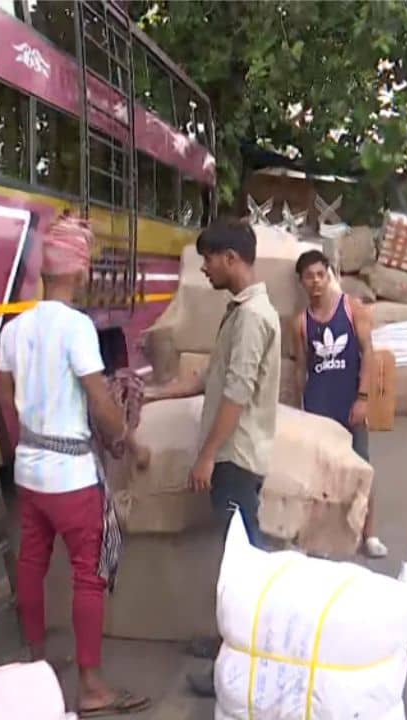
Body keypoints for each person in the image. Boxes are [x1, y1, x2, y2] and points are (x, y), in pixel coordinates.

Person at [0, 214, 152, 716]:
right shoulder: (77, 328)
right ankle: (90, 685)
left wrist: (24, 436)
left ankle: (35, 664)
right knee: (89, 574)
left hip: (29, 472)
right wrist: (126, 437)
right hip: (72, 478)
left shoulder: (15, 329)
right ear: (80, 272)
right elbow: (100, 398)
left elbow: (1, 388)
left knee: (31, 563)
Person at [145, 219, 281, 697]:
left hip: (236, 459)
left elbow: (237, 394)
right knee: (235, 560)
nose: (203, 268)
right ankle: (232, 642)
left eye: (208, 259)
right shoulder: (239, 312)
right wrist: (151, 393)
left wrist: (206, 457)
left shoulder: (253, 318)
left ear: (230, 258)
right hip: (232, 457)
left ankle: (245, 667)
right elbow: (209, 378)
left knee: (244, 565)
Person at [293, 250, 388, 558]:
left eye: (321, 274)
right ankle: (322, 537)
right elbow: (300, 368)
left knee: (363, 466)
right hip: (319, 405)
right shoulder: (301, 323)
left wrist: (363, 398)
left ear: (329, 275)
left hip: (350, 403)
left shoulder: (351, 309)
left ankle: (369, 535)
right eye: (310, 276)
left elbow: (369, 355)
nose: (316, 281)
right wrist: (299, 408)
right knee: (321, 473)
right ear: (302, 282)